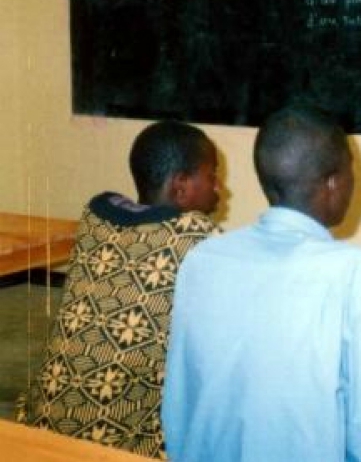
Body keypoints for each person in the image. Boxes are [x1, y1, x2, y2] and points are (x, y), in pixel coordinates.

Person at [162, 104, 361, 462]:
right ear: (332, 184)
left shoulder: (203, 259)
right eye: (353, 171)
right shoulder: (357, 272)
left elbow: (177, 410)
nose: (358, 182)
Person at [16, 120, 222, 458]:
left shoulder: (96, 217)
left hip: (43, 426)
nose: (220, 189)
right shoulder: (194, 235)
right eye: (212, 176)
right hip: (119, 444)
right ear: (182, 186)